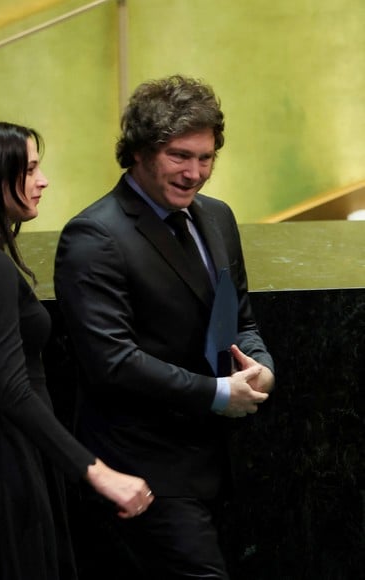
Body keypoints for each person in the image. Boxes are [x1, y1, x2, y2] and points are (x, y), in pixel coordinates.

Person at [53, 75, 276, 579]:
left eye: (206, 157)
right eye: (180, 156)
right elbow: (111, 361)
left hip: (220, 465)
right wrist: (217, 393)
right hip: (143, 469)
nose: (194, 172)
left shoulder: (217, 218)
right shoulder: (95, 236)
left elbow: (241, 319)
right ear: (138, 152)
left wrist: (262, 368)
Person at [0, 119, 153, 579]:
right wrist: (97, 472)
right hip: (0, 463)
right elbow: (14, 390)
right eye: (28, 170)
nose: (41, 181)